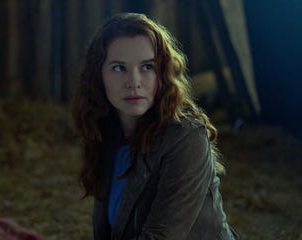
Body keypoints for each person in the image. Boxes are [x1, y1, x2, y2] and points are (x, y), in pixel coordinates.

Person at [72, 12, 238, 240]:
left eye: (147, 67)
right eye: (119, 68)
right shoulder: (106, 134)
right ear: (98, 76)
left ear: (163, 73)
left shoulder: (187, 138)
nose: (134, 82)